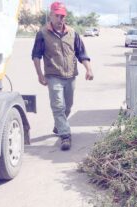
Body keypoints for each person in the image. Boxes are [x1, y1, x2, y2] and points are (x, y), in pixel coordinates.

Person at [31, 2, 94, 151]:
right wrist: (40, 75)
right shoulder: (42, 33)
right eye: (57, 15)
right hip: (53, 75)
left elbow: (81, 53)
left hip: (71, 75)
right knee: (58, 106)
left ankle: (58, 125)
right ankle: (65, 135)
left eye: (63, 16)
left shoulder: (72, 33)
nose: (60, 19)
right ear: (51, 15)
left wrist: (89, 69)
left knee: (68, 106)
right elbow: (36, 56)